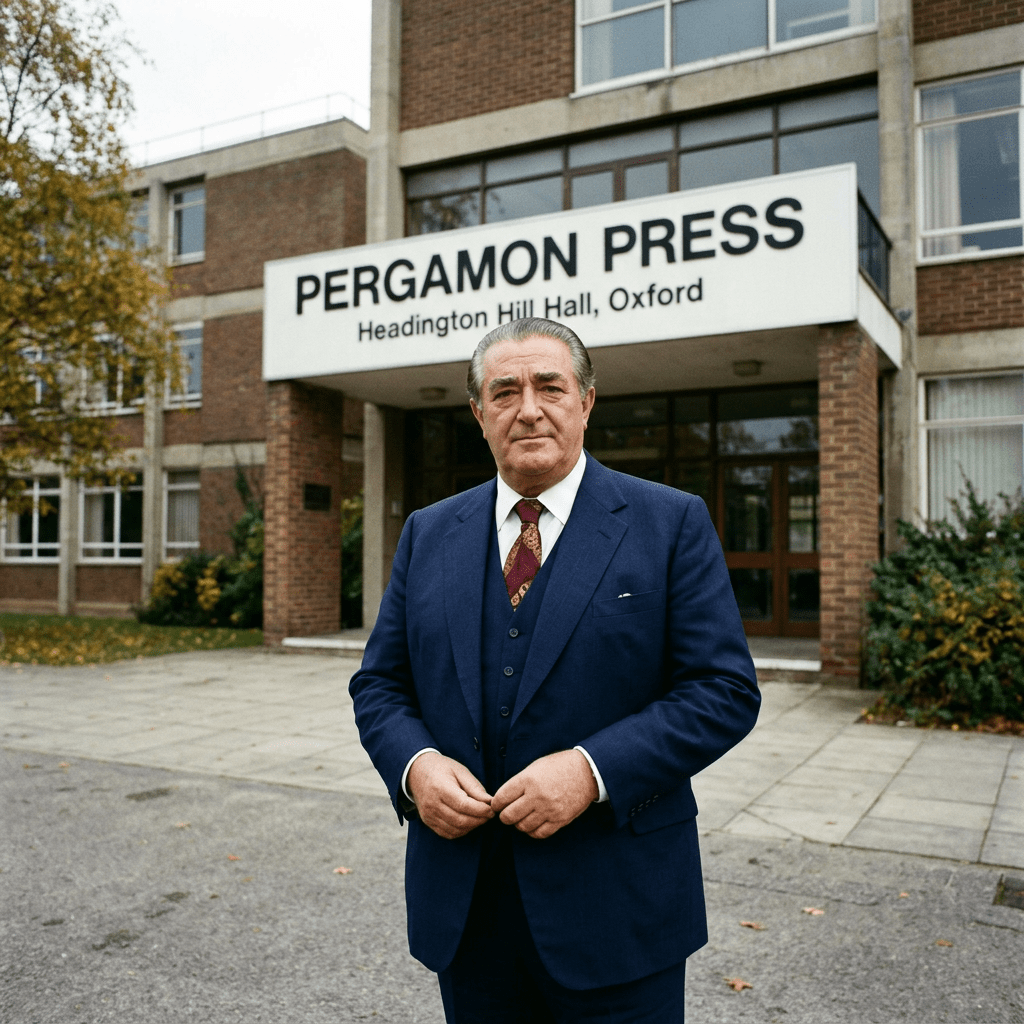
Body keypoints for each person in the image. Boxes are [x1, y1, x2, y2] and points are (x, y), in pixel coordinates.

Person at [349, 317, 759, 1023]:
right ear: (479, 415)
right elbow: (381, 684)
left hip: (619, 911)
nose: (528, 408)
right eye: (504, 392)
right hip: (467, 911)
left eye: (549, 386)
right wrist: (415, 767)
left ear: (586, 402)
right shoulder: (427, 531)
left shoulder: (670, 522)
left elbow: (723, 691)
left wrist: (592, 770)